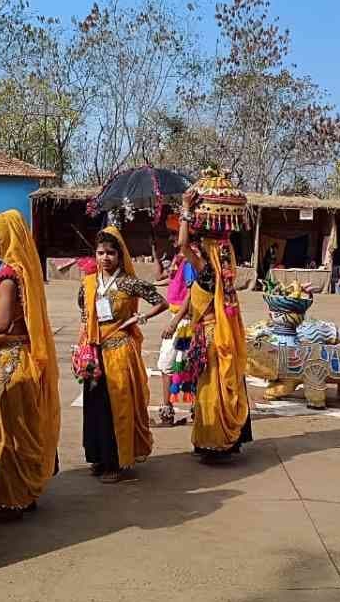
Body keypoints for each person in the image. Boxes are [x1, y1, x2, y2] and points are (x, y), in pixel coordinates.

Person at [0, 210, 60, 522]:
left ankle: (14, 499)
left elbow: (2, 321)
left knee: (9, 431)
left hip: (11, 358)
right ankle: (23, 493)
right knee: (20, 428)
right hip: (19, 355)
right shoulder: (22, 270)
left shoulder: (8, 275)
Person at [79, 227, 169, 482]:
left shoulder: (129, 282)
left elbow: (161, 302)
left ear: (119, 256)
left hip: (120, 351)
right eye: (100, 253)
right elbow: (84, 315)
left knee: (117, 407)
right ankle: (98, 457)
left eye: (110, 253)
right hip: (94, 351)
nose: (105, 258)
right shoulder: (88, 283)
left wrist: (138, 317)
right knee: (95, 406)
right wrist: (84, 346)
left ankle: (115, 462)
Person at [179, 180, 254, 462]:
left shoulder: (204, 268)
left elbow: (182, 243)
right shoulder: (222, 266)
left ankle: (215, 441)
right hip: (221, 333)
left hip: (210, 336)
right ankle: (220, 441)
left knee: (210, 390)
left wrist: (186, 209)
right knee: (219, 387)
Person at [155, 231, 198, 426]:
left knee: (172, 364)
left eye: (176, 236)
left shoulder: (191, 260)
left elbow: (190, 295)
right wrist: (155, 254)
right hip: (179, 317)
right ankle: (173, 410)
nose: (173, 240)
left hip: (184, 321)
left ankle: (169, 411)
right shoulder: (179, 258)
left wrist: (173, 323)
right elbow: (162, 277)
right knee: (179, 364)